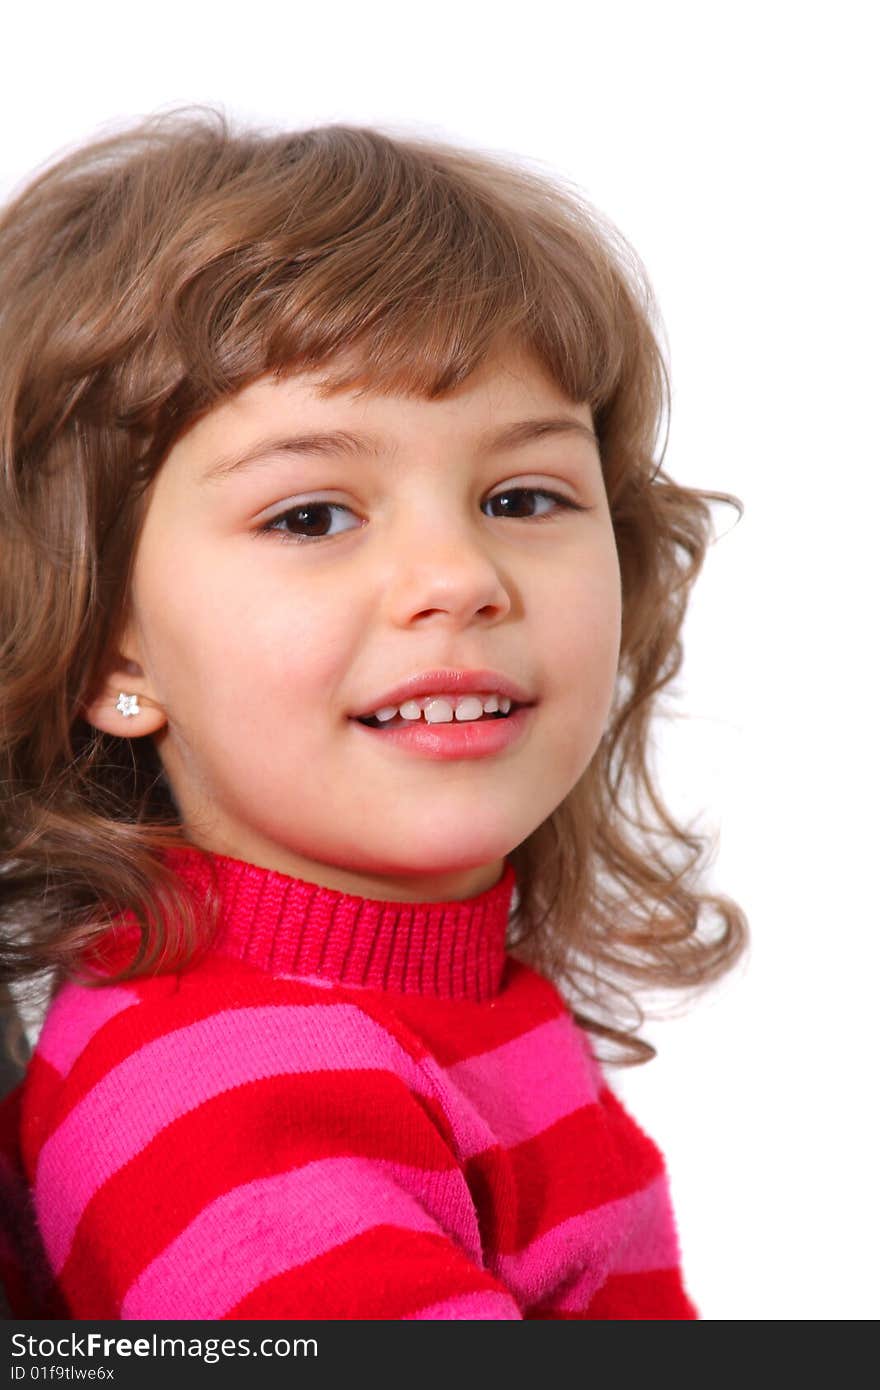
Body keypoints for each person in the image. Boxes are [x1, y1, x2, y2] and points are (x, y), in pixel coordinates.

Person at [0, 107, 748, 1320]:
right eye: (312, 516)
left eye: (521, 493)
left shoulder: (436, 1003)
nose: (458, 575)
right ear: (105, 649)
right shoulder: (233, 1101)